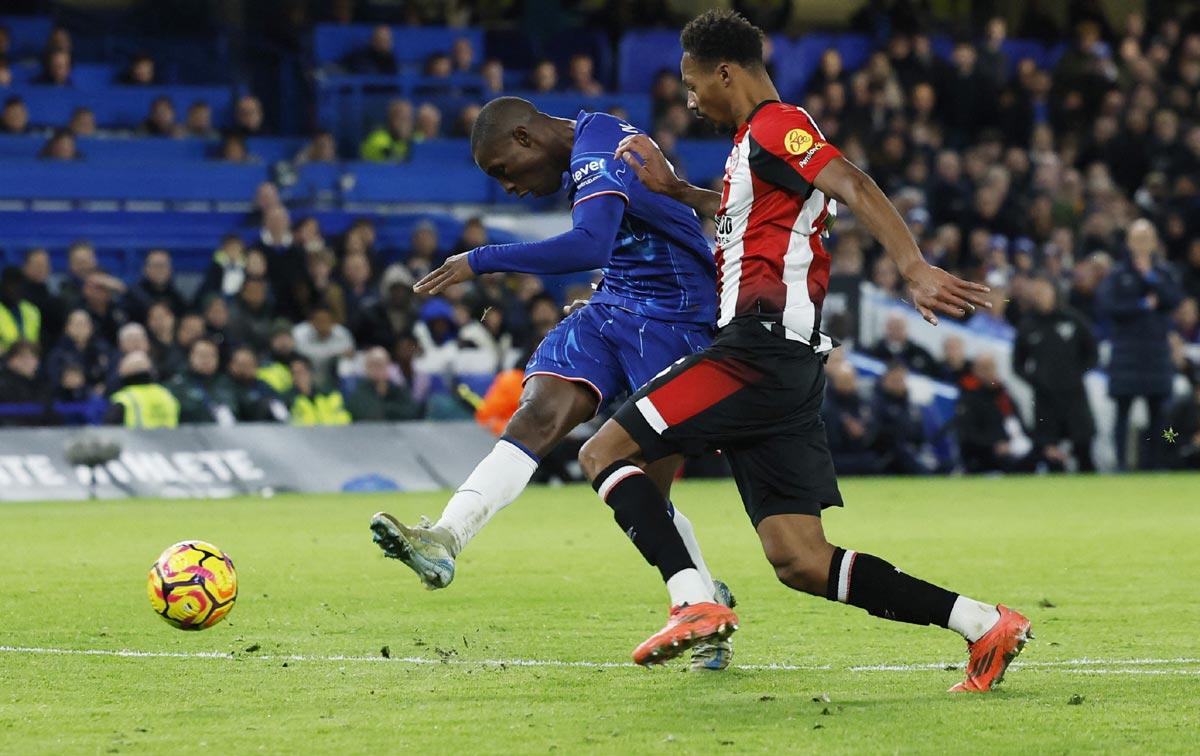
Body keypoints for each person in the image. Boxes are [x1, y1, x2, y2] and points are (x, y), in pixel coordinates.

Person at [577, 10, 1028, 692]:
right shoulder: (750, 150)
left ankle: (691, 596)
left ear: (725, 71)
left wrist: (910, 266)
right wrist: (677, 193)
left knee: (602, 452)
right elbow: (750, 218)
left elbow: (852, 181)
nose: (690, 98)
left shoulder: (777, 123)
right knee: (799, 559)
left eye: (693, 83)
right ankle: (982, 623)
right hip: (784, 368)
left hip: (755, 351)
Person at [368, 94, 734, 671]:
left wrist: (482, 259)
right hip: (616, 302)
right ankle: (445, 538)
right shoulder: (585, 151)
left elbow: (588, 244)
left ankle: (701, 602)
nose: (508, 188)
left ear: (524, 138)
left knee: (648, 492)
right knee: (536, 413)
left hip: (676, 315)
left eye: (503, 173)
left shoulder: (602, 145)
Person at [1099, 219, 1183, 470]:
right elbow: (1110, 308)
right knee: (1122, 412)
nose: (1143, 244)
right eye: (1138, 238)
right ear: (1128, 242)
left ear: (1155, 241)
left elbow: (1174, 300)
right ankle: (1121, 464)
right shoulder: (1118, 273)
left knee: (1159, 413)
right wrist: (1141, 306)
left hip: (1156, 352)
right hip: (1127, 352)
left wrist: (1151, 278)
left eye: (1147, 238)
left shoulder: (1165, 272)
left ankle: (1155, 464)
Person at [1012, 277, 1099, 471]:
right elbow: (1017, 364)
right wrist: (1035, 381)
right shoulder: (1027, 325)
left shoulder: (1073, 319)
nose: (1039, 297)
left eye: (1043, 292)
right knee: (1049, 450)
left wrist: (1077, 374)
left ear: (1054, 293)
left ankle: (1092, 490)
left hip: (1074, 394)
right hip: (1045, 398)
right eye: (1036, 293)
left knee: (1083, 446)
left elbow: (1092, 353)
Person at [956, 353, 1038, 473]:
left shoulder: (1003, 395)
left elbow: (1018, 423)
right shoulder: (969, 398)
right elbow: (968, 435)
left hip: (1013, 445)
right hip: (986, 453)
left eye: (991, 367)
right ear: (975, 370)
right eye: (984, 368)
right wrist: (994, 445)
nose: (989, 372)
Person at [166, 339, 236, 424]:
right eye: (202, 355)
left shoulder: (226, 383)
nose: (206, 360)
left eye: (211, 355)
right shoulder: (177, 384)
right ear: (191, 356)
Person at [106, 351, 179, 429]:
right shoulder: (167, 395)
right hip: (169, 440)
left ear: (125, 372)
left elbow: (109, 432)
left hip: (133, 441)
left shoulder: (124, 399)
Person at [345, 346, 421, 421]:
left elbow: (412, 412)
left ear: (388, 365)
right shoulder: (359, 390)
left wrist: (385, 409)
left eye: (380, 364)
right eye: (372, 364)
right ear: (366, 368)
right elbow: (368, 414)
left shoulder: (398, 389)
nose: (376, 368)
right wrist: (392, 410)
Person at [285, 356, 351, 426]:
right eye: (294, 373)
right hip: (303, 436)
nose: (299, 377)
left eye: (301, 372)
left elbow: (345, 419)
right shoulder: (289, 400)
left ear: (310, 373)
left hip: (332, 434)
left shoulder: (330, 395)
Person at [0, 341, 51, 426]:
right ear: (11, 360)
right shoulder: (3, 384)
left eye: (33, 357)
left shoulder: (43, 383)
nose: (28, 362)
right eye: (23, 358)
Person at [0, 266, 41, 354]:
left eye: (19, 285)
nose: (15, 289)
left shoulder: (32, 310)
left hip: (29, 359)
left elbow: (36, 343)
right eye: (11, 285)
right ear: (3, 286)